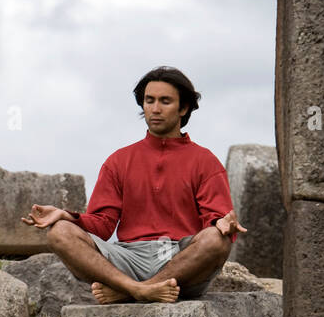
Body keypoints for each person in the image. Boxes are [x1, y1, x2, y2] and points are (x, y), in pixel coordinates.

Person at [21, 66, 246, 303]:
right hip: (128, 258)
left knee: (216, 239)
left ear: (184, 108)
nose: (155, 109)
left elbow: (216, 220)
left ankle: (132, 291)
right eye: (149, 100)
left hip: (180, 263)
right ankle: (137, 288)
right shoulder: (118, 161)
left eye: (165, 101)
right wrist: (64, 215)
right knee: (59, 232)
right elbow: (102, 225)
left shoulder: (205, 161)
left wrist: (222, 223)